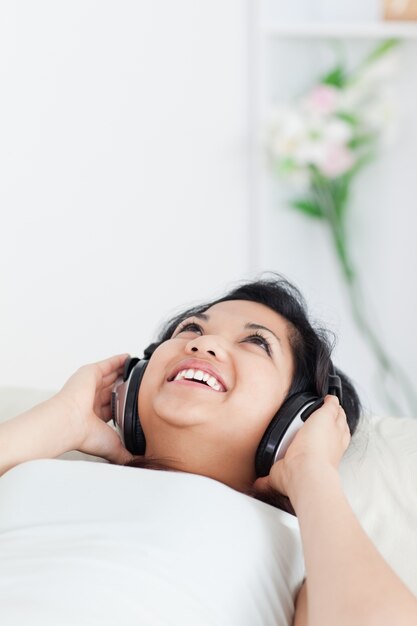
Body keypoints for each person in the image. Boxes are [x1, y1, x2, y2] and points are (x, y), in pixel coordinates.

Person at [1, 275, 417, 626]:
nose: (203, 345)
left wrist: (313, 473)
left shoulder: (297, 547)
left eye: (256, 343)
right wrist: (61, 418)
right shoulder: (37, 460)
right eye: (192, 330)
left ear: (294, 421)